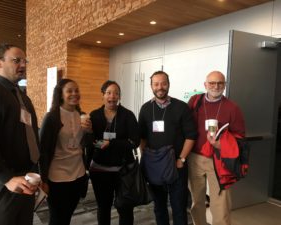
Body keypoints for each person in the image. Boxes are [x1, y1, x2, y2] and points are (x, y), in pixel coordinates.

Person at [0, 43, 40, 225]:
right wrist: (6, 178)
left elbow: (31, 135)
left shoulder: (22, 96)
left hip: (27, 179)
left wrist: (38, 173)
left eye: (24, 61)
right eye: (16, 60)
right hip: (3, 183)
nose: (23, 65)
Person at [138, 71, 197, 225]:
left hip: (177, 165)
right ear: (151, 86)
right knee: (159, 206)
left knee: (179, 207)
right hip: (155, 165)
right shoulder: (145, 109)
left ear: (169, 84)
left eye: (163, 83)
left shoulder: (181, 107)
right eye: (156, 84)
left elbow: (191, 136)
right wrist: (145, 158)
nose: (160, 87)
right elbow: (142, 137)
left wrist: (181, 159)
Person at [187, 71, 246, 225]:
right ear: (205, 85)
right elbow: (184, 123)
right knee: (197, 201)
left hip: (219, 160)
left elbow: (240, 137)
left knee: (220, 204)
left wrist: (221, 145)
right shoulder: (195, 101)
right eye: (212, 83)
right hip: (195, 158)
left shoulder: (232, 108)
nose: (216, 86)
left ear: (224, 85)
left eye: (220, 83)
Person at [39, 78, 91, 225]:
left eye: (76, 90)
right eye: (69, 91)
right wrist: (43, 180)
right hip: (57, 177)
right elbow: (42, 151)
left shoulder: (82, 115)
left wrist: (89, 132)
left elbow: (86, 144)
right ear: (61, 95)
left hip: (78, 174)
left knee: (68, 215)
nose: (74, 94)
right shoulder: (52, 118)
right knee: (57, 218)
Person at [88, 80, 140, 225]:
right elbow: (91, 141)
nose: (113, 96)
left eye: (116, 93)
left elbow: (134, 141)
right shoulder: (94, 115)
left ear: (120, 96)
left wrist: (112, 144)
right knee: (103, 208)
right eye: (109, 93)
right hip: (100, 171)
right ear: (103, 95)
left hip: (123, 171)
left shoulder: (128, 115)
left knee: (125, 208)